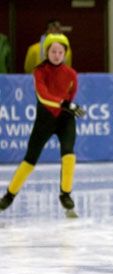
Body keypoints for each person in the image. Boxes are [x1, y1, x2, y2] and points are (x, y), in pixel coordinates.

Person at [0, 33, 85, 217]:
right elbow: (43, 95)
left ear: (65, 54)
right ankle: (9, 195)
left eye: (60, 51)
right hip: (44, 120)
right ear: (47, 53)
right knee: (29, 160)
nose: (56, 55)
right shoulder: (39, 71)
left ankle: (65, 194)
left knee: (69, 155)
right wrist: (64, 104)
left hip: (65, 119)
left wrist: (67, 106)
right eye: (53, 51)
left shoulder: (71, 74)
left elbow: (71, 95)